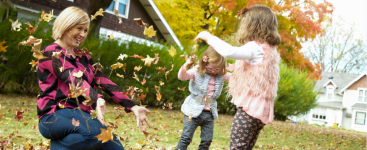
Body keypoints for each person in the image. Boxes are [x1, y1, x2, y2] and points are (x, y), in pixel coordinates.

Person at [37, 6, 150, 150]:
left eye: (85, 30)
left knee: (114, 146)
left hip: (81, 117)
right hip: (53, 117)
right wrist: (96, 98)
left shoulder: (84, 58)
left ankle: (64, 143)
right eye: (79, 28)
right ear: (66, 26)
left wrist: (132, 106)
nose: (83, 34)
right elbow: (73, 79)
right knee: (94, 134)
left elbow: (106, 83)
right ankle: (58, 145)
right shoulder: (51, 53)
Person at [195, 5, 281, 150]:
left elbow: (229, 52)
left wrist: (208, 37)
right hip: (261, 109)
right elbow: (250, 76)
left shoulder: (255, 47)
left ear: (251, 25)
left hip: (250, 108)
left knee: (237, 146)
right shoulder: (269, 50)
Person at [176, 46, 231, 150]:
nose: (213, 71)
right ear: (204, 63)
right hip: (192, 111)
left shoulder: (221, 74)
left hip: (209, 113)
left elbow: (235, 78)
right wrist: (186, 66)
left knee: (207, 140)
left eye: (217, 69)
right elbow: (181, 77)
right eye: (210, 68)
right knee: (186, 137)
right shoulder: (196, 71)